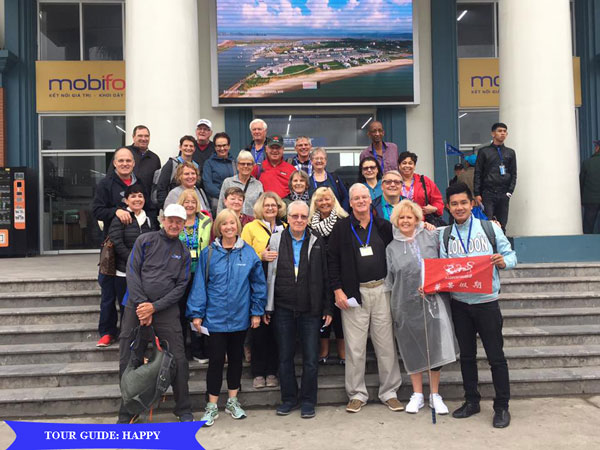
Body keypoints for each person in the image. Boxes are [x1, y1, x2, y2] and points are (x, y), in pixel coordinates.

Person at [441, 182, 517, 428]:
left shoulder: (489, 228)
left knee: (496, 357)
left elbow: (512, 255)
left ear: (472, 203)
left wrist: (503, 262)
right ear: (448, 207)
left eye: (464, 202)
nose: (459, 207)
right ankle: (472, 401)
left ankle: (502, 407)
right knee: (467, 357)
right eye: (454, 204)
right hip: (460, 304)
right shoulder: (445, 234)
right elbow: (443, 270)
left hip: (487, 303)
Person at [327, 183, 403, 414]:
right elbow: (332, 261)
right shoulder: (341, 229)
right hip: (353, 294)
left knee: (386, 345)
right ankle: (357, 394)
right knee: (355, 348)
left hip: (382, 291)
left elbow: (401, 249)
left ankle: (389, 392)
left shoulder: (383, 226)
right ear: (350, 203)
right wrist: (337, 290)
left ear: (371, 200)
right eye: (356, 198)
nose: (361, 201)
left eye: (364, 197)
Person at [187, 209, 267, 427]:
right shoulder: (209, 254)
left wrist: (257, 311)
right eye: (224, 224)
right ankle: (211, 406)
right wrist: (197, 313)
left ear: (237, 226)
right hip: (215, 319)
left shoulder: (249, 253)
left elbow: (258, 286)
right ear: (218, 227)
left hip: (240, 318)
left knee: (235, 361)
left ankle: (233, 401)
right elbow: (200, 285)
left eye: (232, 223)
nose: (229, 227)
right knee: (215, 361)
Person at [118, 203, 194, 423]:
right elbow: (132, 272)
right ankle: (128, 411)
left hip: (166, 310)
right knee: (128, 358)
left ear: (183, 224)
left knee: (178, 358)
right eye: (170, 220)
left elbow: (181, 287)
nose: (174, 224)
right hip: (135, 307)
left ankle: (184, 410)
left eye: (178, 221)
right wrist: (143, 305)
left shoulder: (183, 251)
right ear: (162, 220)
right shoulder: (145, 241)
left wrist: (154, 307)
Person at [385, 199, 458, 415]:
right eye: (401, 217)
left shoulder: (431, 236)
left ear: (418, 219)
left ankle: (435, 394)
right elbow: (390, 279)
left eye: (410, 217)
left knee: (434, 346)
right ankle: (417, 395)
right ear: (396, 221)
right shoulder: (391, 247)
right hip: (405, 305)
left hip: (434, 304)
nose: (405, 220)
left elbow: (446, 258)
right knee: (412, 348)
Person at [264, 201, 333, 419]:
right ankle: (289, 399)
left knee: (311, 358)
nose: (299, 220)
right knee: (284, 357)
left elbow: (326, 276)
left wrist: (327, 307)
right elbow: (266, 273)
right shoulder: (275, 239)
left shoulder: (317, 241)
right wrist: (267, 305)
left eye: (304, 217)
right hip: (283, 307)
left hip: (310, 309)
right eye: (295, 216)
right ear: (288, 218)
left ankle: (308, 401)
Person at [92, 147, 145, 347]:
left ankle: (130, 333)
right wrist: (117, 211)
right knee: (108, 293)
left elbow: (145, 207)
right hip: (113, 249)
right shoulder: (105, 184)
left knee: (130, 295)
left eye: (128, 161)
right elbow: (96, 210)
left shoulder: (139, 184)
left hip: (136, 248)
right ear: (114, 163)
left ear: (133, 163)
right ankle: (107, 331)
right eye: (120, 160)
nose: (124, 164)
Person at [240, 192, 287, 389]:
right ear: (260, 207)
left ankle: (272, 371)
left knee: (277, 331)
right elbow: (242, 254)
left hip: (280, 284)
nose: (270, 208)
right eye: (266, 205)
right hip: (257, 283)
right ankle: (258, 372)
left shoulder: (286, 228)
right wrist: (261, 255)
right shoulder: (250, 228)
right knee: (259, 330)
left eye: (273, 205)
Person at [106, 184, 154, 344]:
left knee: (143, 309)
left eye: (140, 196)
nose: (137, 199)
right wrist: (134, 260)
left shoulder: (149, 219)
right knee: (127, 310)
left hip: (145, 274)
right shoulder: (121, 217)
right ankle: (127, 342)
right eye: (133, 196)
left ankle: (142, 342)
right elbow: (116, 242)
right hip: (124, 272)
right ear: (126, 200)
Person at [309, 187, 348, 365]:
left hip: (340, 273)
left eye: (327, 199)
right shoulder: (310, 224)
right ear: (315, 203)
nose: (324, 203)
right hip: (317, 274)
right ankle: (323, 350)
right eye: (320, 200)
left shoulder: (343, 222)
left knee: (340, 314)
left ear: (333, 201)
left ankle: (342, 351)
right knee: (321, 312)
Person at [177, 189, 212, 363]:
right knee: (180, 312)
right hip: (179, 275)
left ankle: (199, 350)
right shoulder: (174, 222)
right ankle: (182, 350)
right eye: (186, 202)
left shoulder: (206, 222)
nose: (189, 205)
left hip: (200, 273)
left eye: (192, 201)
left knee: (198, 312)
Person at [473, 123, 517, 231]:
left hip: (503, 193)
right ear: (493, 134)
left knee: (502, 224)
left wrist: (509, 192)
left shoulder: (510, 153)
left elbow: (513, 173)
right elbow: (478, 172)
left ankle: (501, 246)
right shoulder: (484, 152)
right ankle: (489, 247)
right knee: (488, 223)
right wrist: (477, 193)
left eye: (504, 131)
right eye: (500, 131)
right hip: (488, 193)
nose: (502, 133)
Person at [107, 125, 161, 203]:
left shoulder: (154, 159)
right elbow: (110, 176)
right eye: (140, 136)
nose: (143, 139)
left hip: (144, 205)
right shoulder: (123, 152)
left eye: (146, 136)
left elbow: (156, 185)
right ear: (133, 137)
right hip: (120, 203)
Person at [397, 151, 445, 225]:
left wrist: (434, 208)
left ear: (414, 166)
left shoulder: (424, 181)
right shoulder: (394, 182)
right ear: (399, 166)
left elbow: (438, 200)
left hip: (423, 223)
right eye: (404, 163)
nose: (407, 166)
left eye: (410, 163)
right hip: (399, 222)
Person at [155, 135, 200, 209]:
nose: (188, 148)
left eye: (191, 146)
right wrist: (165, 207)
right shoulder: (171, 164)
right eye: (185, 145)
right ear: (180, 147)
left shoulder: (196, 166)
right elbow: (161, 187)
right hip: (173, 205)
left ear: (194, 149)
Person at [218, 150, 264, 216]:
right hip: (231, 223)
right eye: (242, 164)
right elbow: (220, 206)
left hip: (251, 223)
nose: (245, 166)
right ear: (237, 165)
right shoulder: (228, 182)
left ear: (253, 166)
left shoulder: (258, 185)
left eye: (249, 164)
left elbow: (261, 208)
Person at [202, 132, 237, 215]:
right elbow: (208, 185)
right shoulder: (209, 163)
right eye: (219, 146)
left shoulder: (235, 163)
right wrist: (225, 196)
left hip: (234, 204)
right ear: (215, 147)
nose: (222, 148)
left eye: (224, 145)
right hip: (217, 204)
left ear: (229, 146)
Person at [580, 140, 600, 234]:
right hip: (591, 199)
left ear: (597, 148)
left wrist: (581, 199)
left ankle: (586, 246)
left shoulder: (587, 163)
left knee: (588, 227)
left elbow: (581, 182)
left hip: (591, 201)